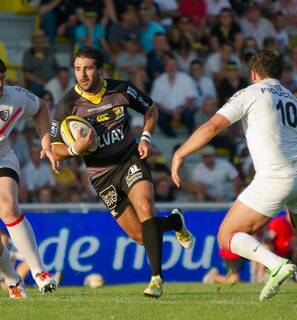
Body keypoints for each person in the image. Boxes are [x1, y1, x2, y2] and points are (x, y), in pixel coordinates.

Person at [50, 47, 194, 298]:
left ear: (101, 70)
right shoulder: (67, 105)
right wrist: (75, 148)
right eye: (77, 69)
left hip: (129, 160)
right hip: (101, 175)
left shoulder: (121, 90)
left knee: (146, 208)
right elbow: (55, 148)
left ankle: (156, 279)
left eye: (88, 68)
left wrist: (145, 138)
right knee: (139, 236)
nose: (82, 75)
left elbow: (151, 109)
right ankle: (174, 222)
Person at [172, 50, 297, 301]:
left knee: (226, 235)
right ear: (278, 72)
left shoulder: (251, 93)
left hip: (276, 177)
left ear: (253, 73)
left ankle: (276, 265)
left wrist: (180, 153)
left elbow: (212, 127)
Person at [0, 49, 57, 298]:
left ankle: (39, 272)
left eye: (1, 78)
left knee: (7, 205)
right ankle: (12, 279)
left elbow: (42, 109)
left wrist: (46, 142)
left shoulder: (13, 96)